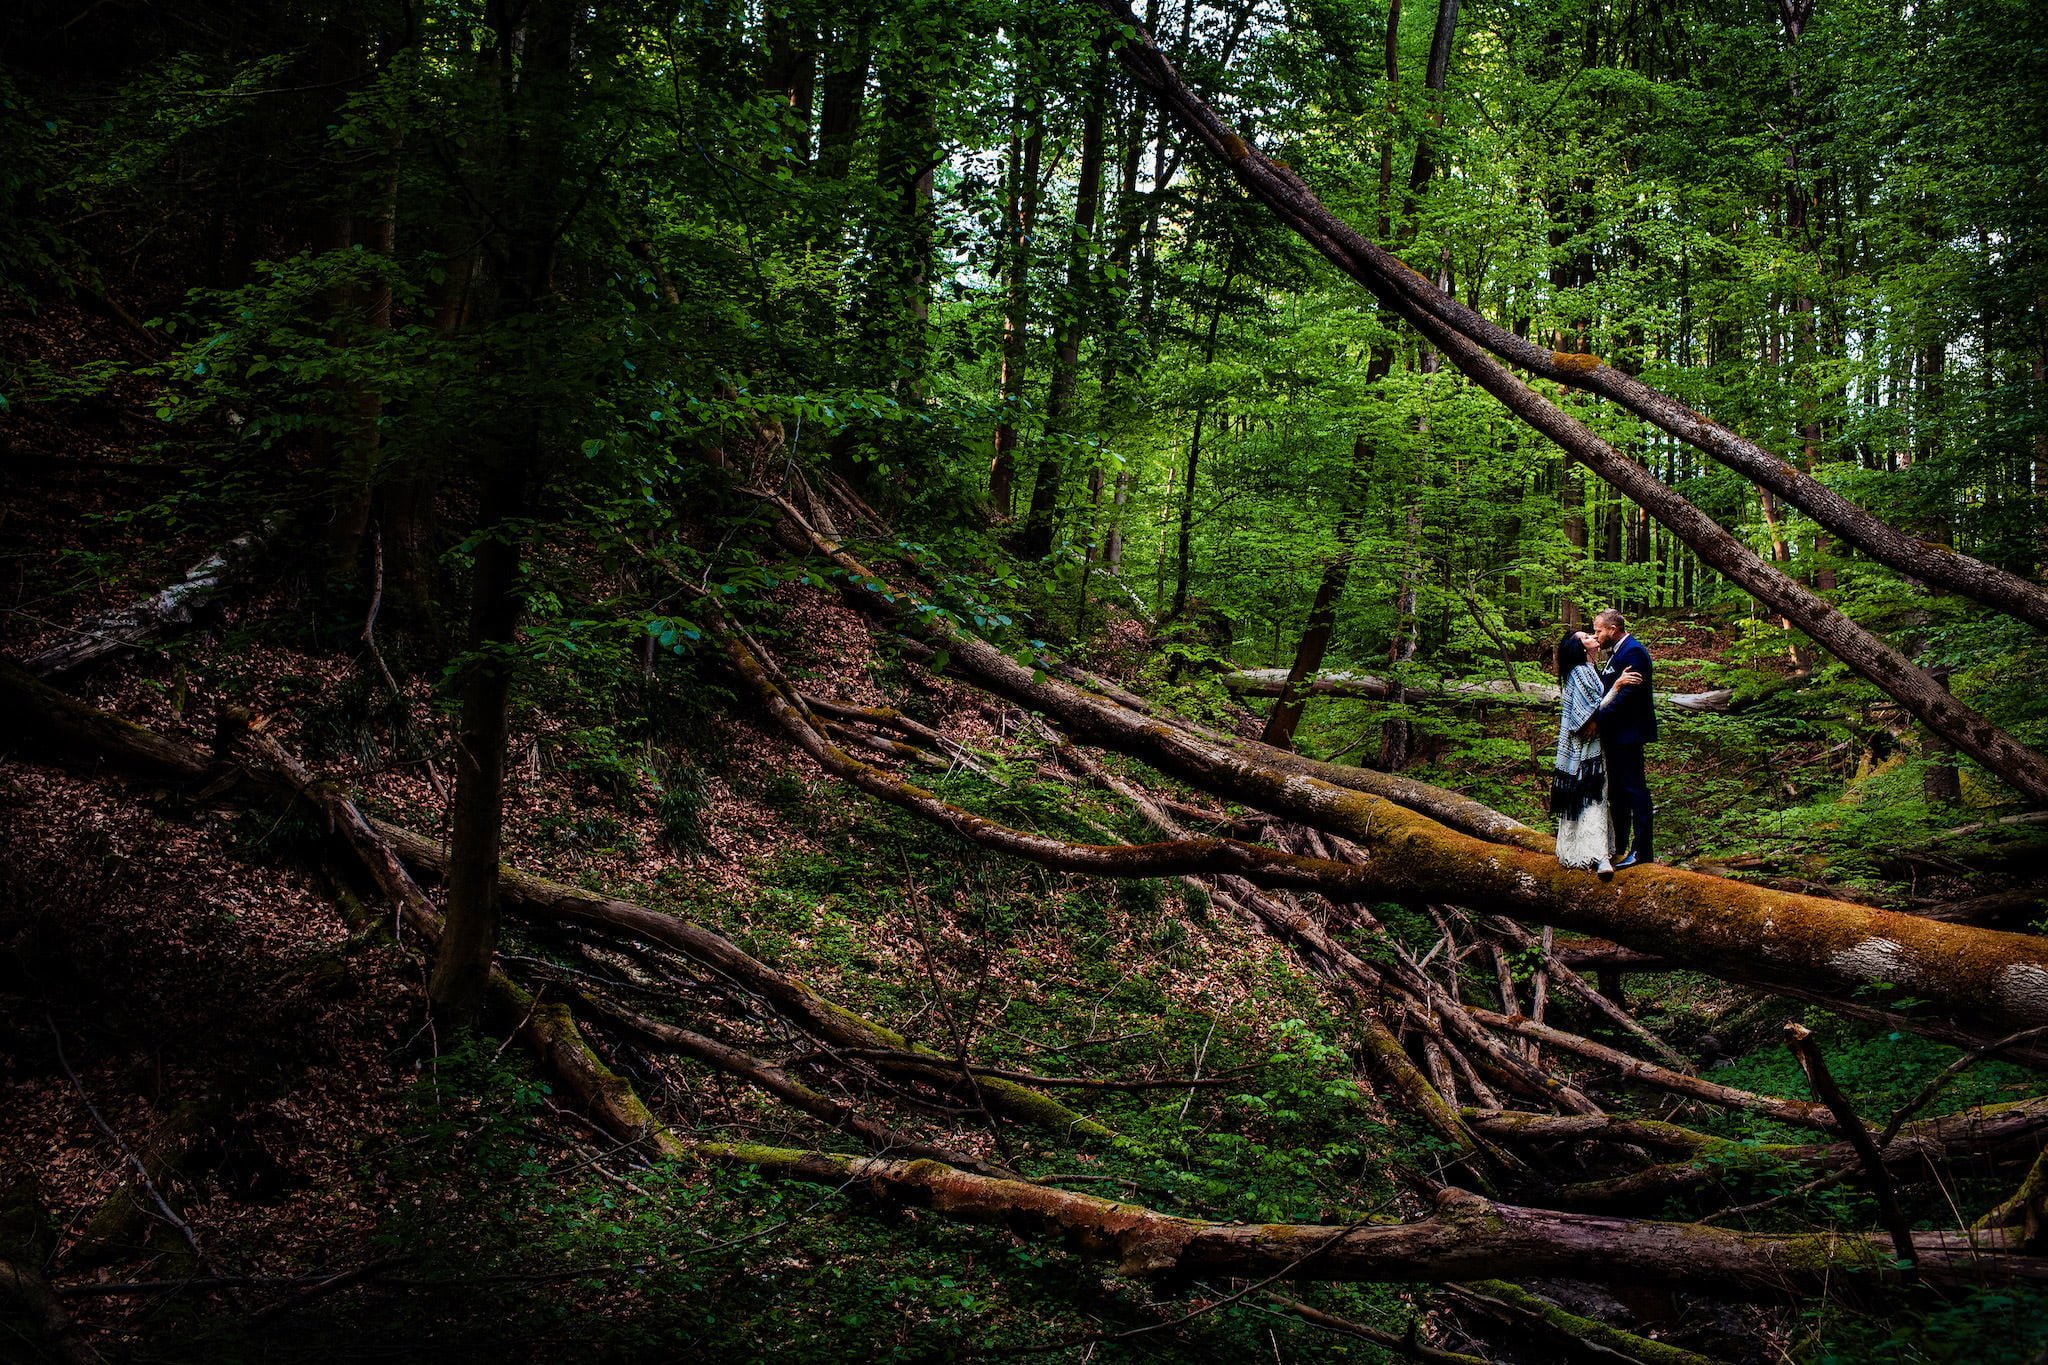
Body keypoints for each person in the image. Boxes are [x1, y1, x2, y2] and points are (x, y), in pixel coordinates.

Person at [1551, 630, 1636, 875]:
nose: (1593, 636)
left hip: (1592, 745)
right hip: (1584, 748)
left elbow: (1593, 709)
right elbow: (1590, 708)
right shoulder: (1580, 671)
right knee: (1592, 793)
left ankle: (1580, 851)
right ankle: (1598, 858)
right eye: (1586, 636)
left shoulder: (1589, 669)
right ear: (1581, 647)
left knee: (1587, 794)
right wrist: (1618, 685)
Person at [1591, 609, 1656, 868]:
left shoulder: (1633, 652)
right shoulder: (1617, 653)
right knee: (1617, 793)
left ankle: (1642, 851)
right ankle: (1619, 847)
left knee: (1634, 790)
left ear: (1613, 629)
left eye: (1599, 631)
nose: (1596, 636)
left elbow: (1627, 697)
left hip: (1628, 735)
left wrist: (1596, 720)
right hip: (1616, 735)